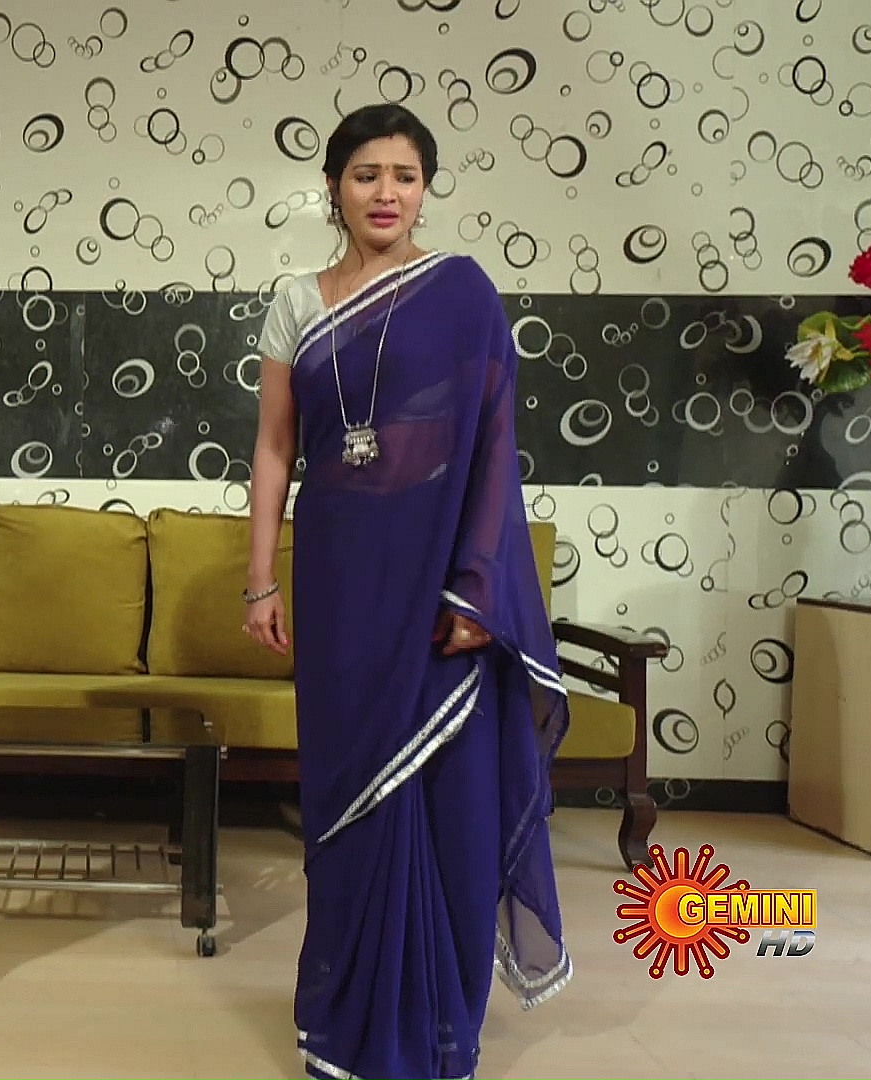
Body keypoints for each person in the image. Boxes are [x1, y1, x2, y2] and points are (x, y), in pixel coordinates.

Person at [242, 103, 573, 1080]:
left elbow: (495, 445)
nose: (386, 193)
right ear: (332, 187)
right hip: (340, 574)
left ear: (426, 187)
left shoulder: (462, 293)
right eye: (366, 174)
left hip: (436, 583)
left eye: (405, 176)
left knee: (447, 797)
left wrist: (478, 588)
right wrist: (259, 581)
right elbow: (273, 449)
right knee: (347, 795)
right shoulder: (295, 302)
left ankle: (436, 1032)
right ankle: (347, 1026)